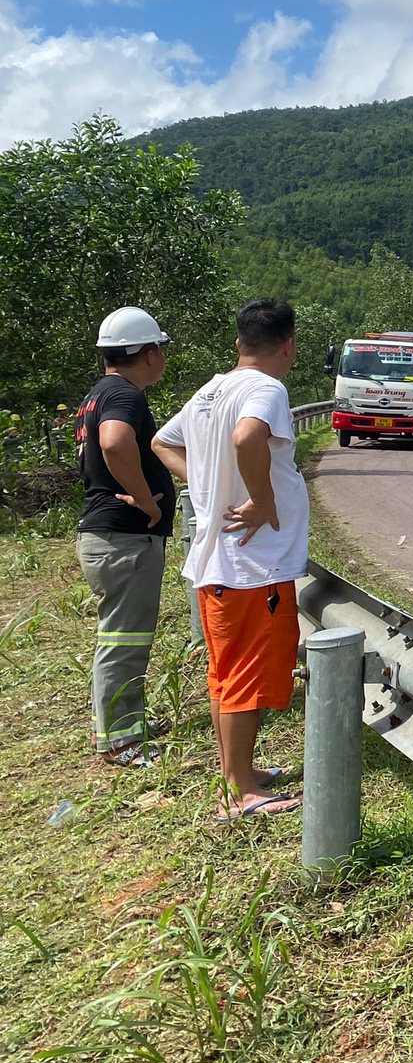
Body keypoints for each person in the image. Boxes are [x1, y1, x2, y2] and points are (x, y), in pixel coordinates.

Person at [153, 299, 308, 820]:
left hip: (218, 563)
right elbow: (246, 437)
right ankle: (243, 794)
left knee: (226, 675)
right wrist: (262, 501)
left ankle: (237, 775)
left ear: (239, 342)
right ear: (287, 345)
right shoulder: (266, 388)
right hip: (251, 566)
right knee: (243, 677)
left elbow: (161, 442)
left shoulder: (209, 391)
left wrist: (207, 488)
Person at [74, 307, 176, 766]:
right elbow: (115, 443)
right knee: (125, 640)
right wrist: (148, 500)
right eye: (162, 348)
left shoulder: (99, 393)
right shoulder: (125, 395)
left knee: (121, 637)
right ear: (149, 352)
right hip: (124, 538)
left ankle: (124, 721)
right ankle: (119, 741)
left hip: (108, 536)